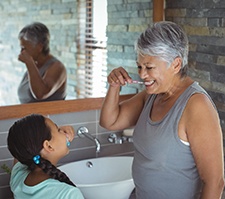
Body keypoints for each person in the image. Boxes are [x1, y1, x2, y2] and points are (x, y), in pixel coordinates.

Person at [100, 21, 224, 199]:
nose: (142, 75)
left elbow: (215, 182)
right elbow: (109, 121)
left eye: (149, 67)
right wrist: (113, 87)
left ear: (175, 64)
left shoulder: (196, 106)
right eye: (140, 66)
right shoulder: (151, 95)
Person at [7, 114, 84, 199]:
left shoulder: (18, 176)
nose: (63, 132)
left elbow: (22, 146)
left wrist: (58, 136)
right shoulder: (67, 194)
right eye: (58, 130)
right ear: (48, 146)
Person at [17, 22, 67, 103]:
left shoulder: (57, 67)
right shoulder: (34, 66)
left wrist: (29, 62)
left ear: (39, 47)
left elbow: (40, 94)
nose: (21, 52)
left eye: (24, 48)